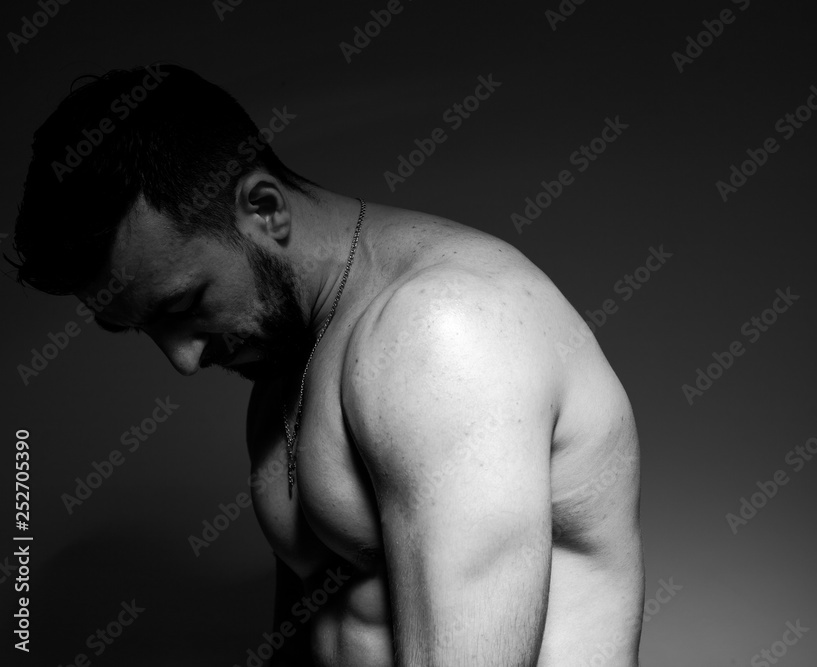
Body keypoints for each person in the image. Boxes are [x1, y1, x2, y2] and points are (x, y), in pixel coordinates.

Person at [11, 64, 644, 666]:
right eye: (140, 328)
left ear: (264, 209)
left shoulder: (445, 331)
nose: (182, 360)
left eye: (183, 305)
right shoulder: (286, 357)